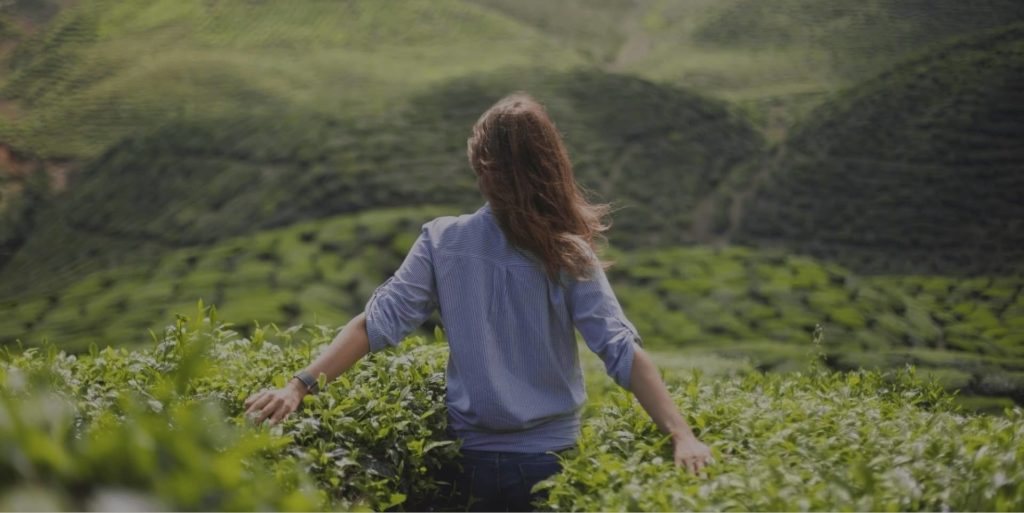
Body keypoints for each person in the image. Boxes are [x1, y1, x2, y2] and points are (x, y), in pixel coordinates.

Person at [244, 92, 713, 511]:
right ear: (550, 165)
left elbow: (375, 324)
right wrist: (681, 433)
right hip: (554, 463)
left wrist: (298, 386)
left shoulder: (443, 240)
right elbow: (620, 349)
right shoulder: (569, 252)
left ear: (482, 166)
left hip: (470, 464)